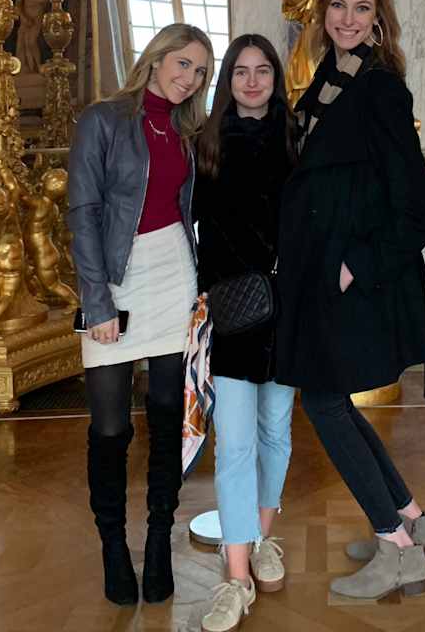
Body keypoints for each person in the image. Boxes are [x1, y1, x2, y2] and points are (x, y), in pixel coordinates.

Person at [276, 0, 425, 601]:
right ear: (323, 14)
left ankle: (397, 551)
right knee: (332, 401)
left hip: (352, 280)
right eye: (338, 6)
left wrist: (354, 267)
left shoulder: (380, 90)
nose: (347, 18)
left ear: (380, 19)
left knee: (321, 402)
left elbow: (419, 208)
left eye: (362, 8)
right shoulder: (329, 80)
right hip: (321, 273)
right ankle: (409, 518)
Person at [68, 23, 214, 607]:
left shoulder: (186, 130)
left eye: (200, 71)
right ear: (155, 59)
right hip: (116, 280)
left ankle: (158, 539)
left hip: (174, 274)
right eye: (183, 64)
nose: (190, 79)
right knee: (110, 428)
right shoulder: (102, 120)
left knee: (163, 417)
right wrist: (98, 300)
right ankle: (111, 544)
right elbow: (83, 212)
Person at [193, 35, 297, 632]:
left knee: (275, 433)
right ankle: (236, 580)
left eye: (262, 71)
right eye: (241, 71)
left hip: (286, 310)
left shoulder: (295, 139)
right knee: (233, 445)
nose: (252, 81)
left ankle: (261, 539)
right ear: (227, 80)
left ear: (274, 79)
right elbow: (190, 226)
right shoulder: (205, 145)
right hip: (232, 312)